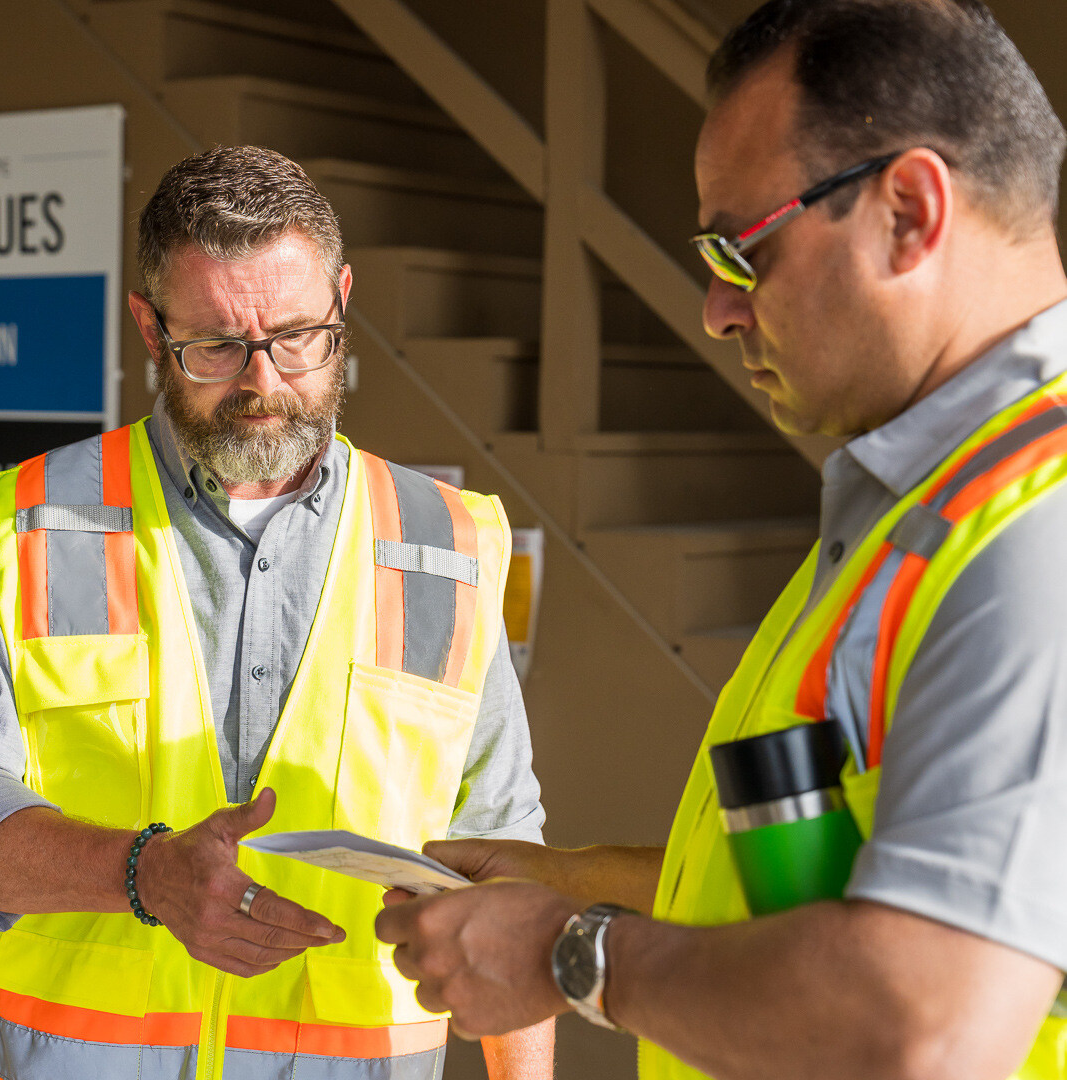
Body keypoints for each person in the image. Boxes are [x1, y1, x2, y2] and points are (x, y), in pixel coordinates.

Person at [375, 2, 1067, 1079]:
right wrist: (562, 880)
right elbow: (816, 889)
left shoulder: (1034, 530)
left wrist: (568, 955)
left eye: (741, 249)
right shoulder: (919, 508)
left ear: (910, 211)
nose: (716, 311)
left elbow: (925, 1027)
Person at [0, 145, 553, 1080]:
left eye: (299, 336)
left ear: (343, 301)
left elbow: (504, 849)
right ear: (150, 331)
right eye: (218, 348)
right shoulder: (39, 519)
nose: (265, 382)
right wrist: (139, 874)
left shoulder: (449, 540)